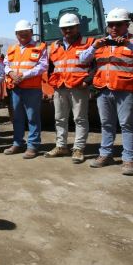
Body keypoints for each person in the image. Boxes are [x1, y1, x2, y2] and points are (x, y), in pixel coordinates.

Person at [79, 7, 133, 176]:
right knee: (106, 124)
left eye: (118, 25)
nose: (114, 28)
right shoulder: (101, 42)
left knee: (127, 125)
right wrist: (93, 48)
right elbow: (82, 58)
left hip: (126, 90)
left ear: (126, 25)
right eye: (111, 25)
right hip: (104, 89)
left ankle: (129, 159)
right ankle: (105, 155)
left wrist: (129, 44)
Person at [45, 14, 95, 163]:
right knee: (59, 118)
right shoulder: (55, 46)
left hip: (79, 87)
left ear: (77, 27)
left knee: (80, 118)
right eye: (64, 28)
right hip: (60, 87)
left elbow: (96, 66)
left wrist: (87, 81)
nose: (67, 30)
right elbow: (51, 68)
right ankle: (61, 146)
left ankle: (78, 149)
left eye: (71, 27)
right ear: (60, 29)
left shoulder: (88, 43)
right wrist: (53, 82)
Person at [3, 20, 47, 159]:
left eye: (26, 33)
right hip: (16, 88)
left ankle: (33, 146)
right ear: (16, 34)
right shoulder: (11, 48)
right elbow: (5, 64)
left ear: (31, 33)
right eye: (20, 34)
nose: (23, 36)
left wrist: (23, 76)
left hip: (32, 88)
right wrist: (10, 73)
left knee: (32, 118)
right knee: (17, 117)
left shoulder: (40, 47)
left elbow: (43, 66)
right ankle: (18, 143)